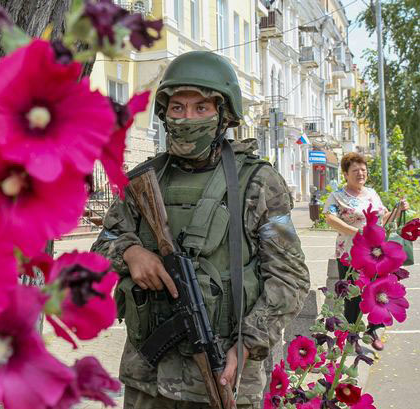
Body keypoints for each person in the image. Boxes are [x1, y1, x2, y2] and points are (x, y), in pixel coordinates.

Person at [91, 51, 310, 409]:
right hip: (148, 380)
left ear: (224, 114)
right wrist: (131, 253)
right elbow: (105, 242)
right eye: (177, 108)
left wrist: (247, 343)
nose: (186, 118)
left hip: (224, 371)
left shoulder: (257, 182)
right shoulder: (143, 180)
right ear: (164, 114)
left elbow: (290, 278)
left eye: (201, 108)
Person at [323, 152, 409, 337]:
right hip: (350, 252)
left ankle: (373, 331)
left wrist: (398, 210)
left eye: (363, 169)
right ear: (345, 174)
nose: (360, 173)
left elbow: (383, 220)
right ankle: (350, 335)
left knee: (376, 290)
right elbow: (329, 218)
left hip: (377, 254)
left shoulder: (372, 194)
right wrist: (356, 232)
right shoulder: (337, 197)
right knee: (352, 295)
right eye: (355, 170)